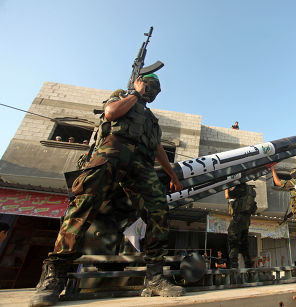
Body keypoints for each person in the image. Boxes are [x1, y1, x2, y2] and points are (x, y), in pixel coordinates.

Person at [30, 74, 185, 307]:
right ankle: (54, 277)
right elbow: (111, 113)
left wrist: (172, 174)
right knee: (83, 207)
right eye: (152, 87)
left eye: (157, 90)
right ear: (141, 82)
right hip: (112, 152)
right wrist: (135, 92)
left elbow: (157, 148)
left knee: (159, 213)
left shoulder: (152, 120)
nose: (154, 93)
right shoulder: (122, 96)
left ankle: (154, 278)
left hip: (140, 164)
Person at [225, 182, 257, 268]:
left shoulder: (241, 188)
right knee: (244, 244)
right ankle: (249, 266)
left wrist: (225, 186)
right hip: (246, 220)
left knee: (233, 239)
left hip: (238, 218)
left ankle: (234, 266)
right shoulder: (250, 190)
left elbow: (227, 196)